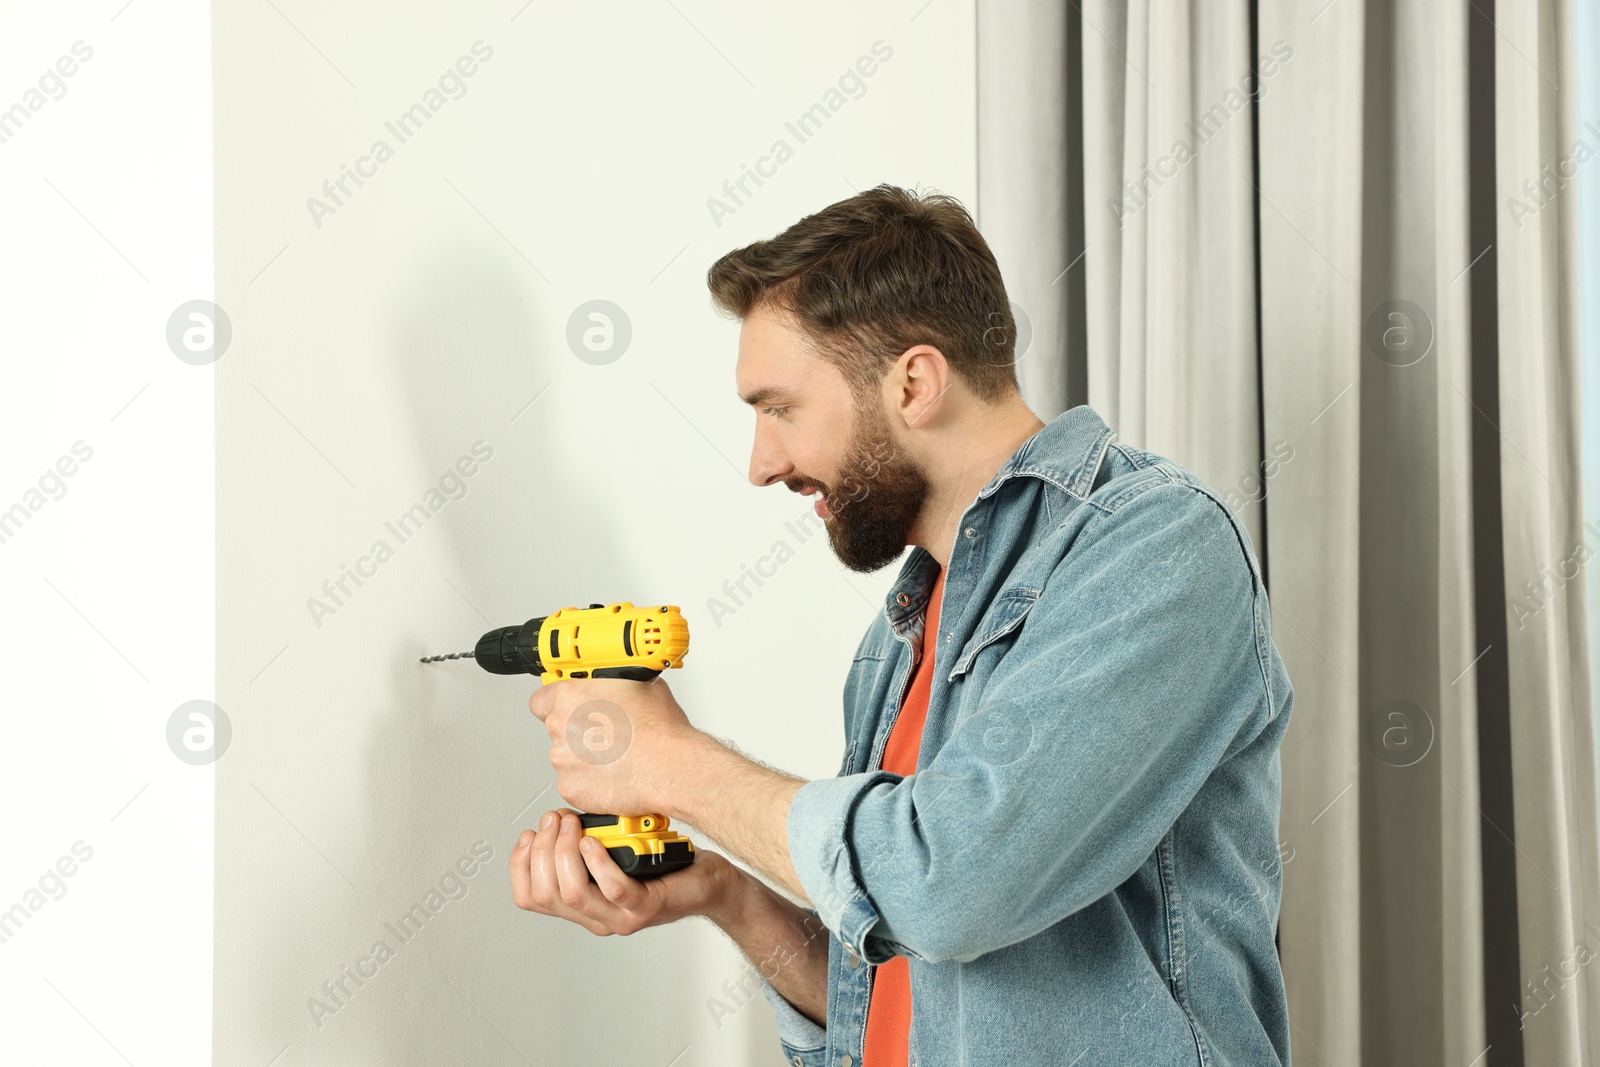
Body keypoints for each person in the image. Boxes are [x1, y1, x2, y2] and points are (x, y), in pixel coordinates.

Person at [510, 184, 1294, 1067]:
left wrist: (670, 763)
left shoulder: (1155, 547)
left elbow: (951, 885)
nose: (763, 463)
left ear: (914, 381)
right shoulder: (902, 634)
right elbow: (898, 995)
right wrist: (726, 894)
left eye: (779, 408)